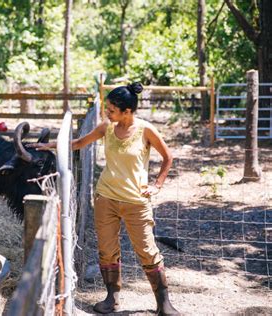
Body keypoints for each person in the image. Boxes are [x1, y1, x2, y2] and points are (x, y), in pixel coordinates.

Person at [29, 82, 180, 315]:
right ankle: (111, 298)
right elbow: (79, 143)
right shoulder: (107, 128)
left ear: (127, 111)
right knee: (107, 250)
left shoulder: (145, 130)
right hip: (105, 198)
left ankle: (164, 304)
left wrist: (157, 185)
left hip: (136, 202)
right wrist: (49, 145)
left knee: (147, 251)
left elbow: (168, 157)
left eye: (111, 110)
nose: (107, 113)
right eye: (107, 109)